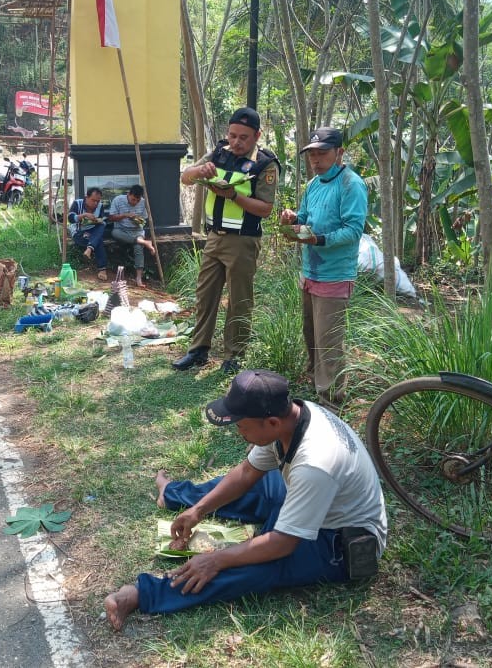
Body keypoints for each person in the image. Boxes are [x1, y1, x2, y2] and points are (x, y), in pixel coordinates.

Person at [103, 369, 387, 631]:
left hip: (339, 540)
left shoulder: (315, 463)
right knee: (256, 485)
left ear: (272, 422)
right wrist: (198, 511)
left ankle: (142, 594)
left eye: (242, 426)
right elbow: (247, 473)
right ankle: (173, 495)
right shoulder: (292, 418)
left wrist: (217, 559)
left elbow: (282, 543)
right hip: (313, 503)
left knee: (256, 565)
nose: (240, 434)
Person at [173, 107, 279, 375]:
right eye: (232, 135)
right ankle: (198, 350)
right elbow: (185, 178)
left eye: (243, 137)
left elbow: (265, 209)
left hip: (243, 241)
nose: (236, 142)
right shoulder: (219, 153)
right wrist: (199, 170)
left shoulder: (265, 164)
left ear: (257, 135)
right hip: (214, 238)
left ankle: (234, 355)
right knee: (205, 295)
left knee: (239, 300)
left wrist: (233, 196)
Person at [279, 128, 368, 407]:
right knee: (312, 336)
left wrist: (319, 238)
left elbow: (353, 230)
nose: (315, 160)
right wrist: (292, 218)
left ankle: (332, 401)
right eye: (312, 155)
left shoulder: (351, 184)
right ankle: (318, 387)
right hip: (310, 272)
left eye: (322, 153)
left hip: (335, 274)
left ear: (339, 153)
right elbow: (304, 217)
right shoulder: (314, 185)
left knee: (329, 342)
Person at [108, 184, 156, 287]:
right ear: (128, 194)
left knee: (138, 248)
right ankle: (144, 242)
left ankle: (138, 278)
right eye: (133, 199)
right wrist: (125, 215)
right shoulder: (118, 200)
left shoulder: (143, 202)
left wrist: (137, 220)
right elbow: (111, 218)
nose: (135, 202)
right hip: (121, 230)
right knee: (114, 233)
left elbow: (143, 222)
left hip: (137, 231)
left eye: (137, 200)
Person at [68, 187, 109, 281]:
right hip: (79, 232)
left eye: (97, 201)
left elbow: (102, 220)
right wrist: (84, 215)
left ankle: (89, 249)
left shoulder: (100, 206)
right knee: (98, 241)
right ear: (86, 197)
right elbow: (70, 218)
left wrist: (97, 220)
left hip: (93, 231)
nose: (95, 203)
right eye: (93, 200)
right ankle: (102, 269)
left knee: (102, 225)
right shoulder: (77, 203)